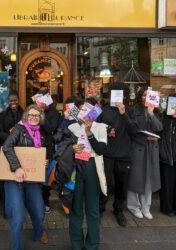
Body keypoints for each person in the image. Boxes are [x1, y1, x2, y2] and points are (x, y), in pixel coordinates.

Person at [2, 104, 49, 250]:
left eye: (37, 115)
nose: (34, 118)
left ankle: (39, 232)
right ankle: (17, 247)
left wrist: (44, 162)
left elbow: (39, 154)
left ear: (40, 117)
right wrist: (17, 168)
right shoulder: (18, 129)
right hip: (14, 178)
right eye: (31, 115)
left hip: (32, 179)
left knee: (39, 211)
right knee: (18, 217)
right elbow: (7, 147)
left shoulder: (41, 133)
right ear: (26, 116)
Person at [68, 97, 107, 250]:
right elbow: (62, 147)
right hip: (76, 167)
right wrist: (71, 148)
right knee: (76, 208)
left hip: (92, 166)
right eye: (83, 109)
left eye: (89, 110)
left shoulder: (100, 127)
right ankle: (76, 244)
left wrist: (89, 132)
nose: (86, 113)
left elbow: (101, 150)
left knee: (92, 208)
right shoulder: (72, 127)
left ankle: (92, 245)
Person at [97, 83, 136, 227]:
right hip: (106, 153)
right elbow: (94, 127)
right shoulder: (103, 110)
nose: (117, 96)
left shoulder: (130, 110)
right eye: (114, 93)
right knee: (104, 183)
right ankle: (100, 208)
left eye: (120, 93)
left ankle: (119, 210)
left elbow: (134, 130)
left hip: (124, 154)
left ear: (124, 95)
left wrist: (124, 114)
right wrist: (106, 130)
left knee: (121, 185)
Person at [127, 86, 163, 220]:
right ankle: (133, 206)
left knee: (149, 178)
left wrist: (151, 113)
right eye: (143, 95)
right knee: (135, 178)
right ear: (140, 97)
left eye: (149, 95)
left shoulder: (157, 111)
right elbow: (131, 129)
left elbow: (159, 128)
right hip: (138, 147)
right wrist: (145, 137)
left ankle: (146, 207)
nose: (146, 98)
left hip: (152, 149)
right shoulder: (133, 110)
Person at [35, 91, 60, 213]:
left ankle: (45, 201)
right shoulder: (34, 110)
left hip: (46, 148)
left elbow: (50, 128)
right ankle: (34, 201)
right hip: (34, 147)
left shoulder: (54, 113)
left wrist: (41, 114)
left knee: (45, 176)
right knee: (34, 175)